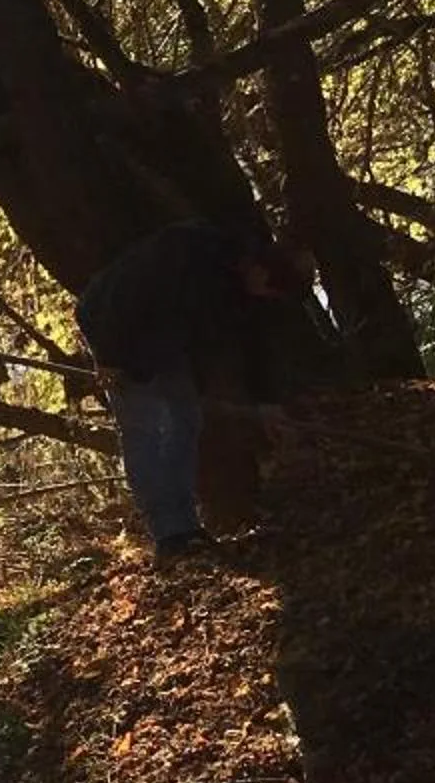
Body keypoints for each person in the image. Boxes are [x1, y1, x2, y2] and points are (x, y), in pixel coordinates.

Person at [73, 219, 298, 558]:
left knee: (186, 419)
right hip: (115, 332)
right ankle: (168, 533)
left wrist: (266, 402)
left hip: (164, 344)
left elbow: (247, 343)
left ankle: (186, 524)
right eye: (268, 292)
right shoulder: (191, 252)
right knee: (142, 430)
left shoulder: (234, 284)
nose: (264, 299)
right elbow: (125, 295)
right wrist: (108, 358)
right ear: (261, 274)